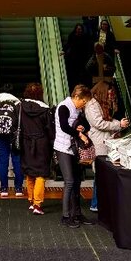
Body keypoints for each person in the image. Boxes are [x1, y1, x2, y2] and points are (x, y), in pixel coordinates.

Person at [53, 85, 93, 228]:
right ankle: (65, 216)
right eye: (84, 101)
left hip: (74, 148)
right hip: (63, 148)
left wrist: (82, 128)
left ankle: (77, 214)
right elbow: (64, 127)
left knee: (76, 181)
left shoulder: (77, 109)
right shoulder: (63, 107)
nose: (84, 104)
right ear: (77, 97)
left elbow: (86, 124)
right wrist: (79, 134)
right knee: (69, 181)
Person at [85, 81, 128, 212]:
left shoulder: (98, 104)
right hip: (99, 143)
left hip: (103, 141)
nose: (111, 95)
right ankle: (96, 203)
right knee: (100, 173)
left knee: (101, 173)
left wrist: (119, 125)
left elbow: (104, 121)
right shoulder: (92, 105)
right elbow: (99, 123)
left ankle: (98, 203)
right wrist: (118, 125)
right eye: (109, 93)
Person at [19, 83, 53, 215]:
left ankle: (31, 200)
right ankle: (37, 204)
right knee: (40, 174)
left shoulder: (21, 107)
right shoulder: (45, 109)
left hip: (26, 142)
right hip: (41, 143)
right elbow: (50, 129)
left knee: (29, 172)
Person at [0, 91, 24, 197]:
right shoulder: (18, 105)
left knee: (2, 162)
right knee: (17, 161)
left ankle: (4, 189)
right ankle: (18, 189)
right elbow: (20, 122)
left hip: (1, 137)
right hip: (15, 137)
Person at [62, 24, 90, 88]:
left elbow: (87, 47)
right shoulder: (72, 36)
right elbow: (68, 44)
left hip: (82, 57)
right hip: (73, 57)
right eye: (78, 29)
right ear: (75, 29)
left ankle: (81, 84)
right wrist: (63, 50)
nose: (79, 30)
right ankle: (74, 84)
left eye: (80, 29)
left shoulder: (85, 37)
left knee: (82, 71)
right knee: (74, 71)